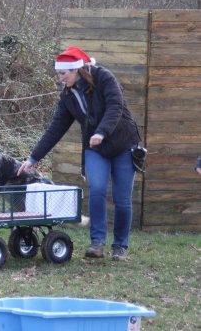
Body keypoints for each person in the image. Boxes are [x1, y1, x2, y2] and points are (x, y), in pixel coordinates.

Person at [17, 47, 141, 261]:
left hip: (123, 143)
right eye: (59, 73)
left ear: (76, 70)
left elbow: (115, 106)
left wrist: (102, 131)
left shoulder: (104, 77)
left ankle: (120, 246)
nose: (60, 78)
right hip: (95, 148)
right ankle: (97, 243)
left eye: (63, 73)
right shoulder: (67, 95)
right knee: (97, 189)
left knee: (122, 199)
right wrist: (33, 158)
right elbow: (56, 128)